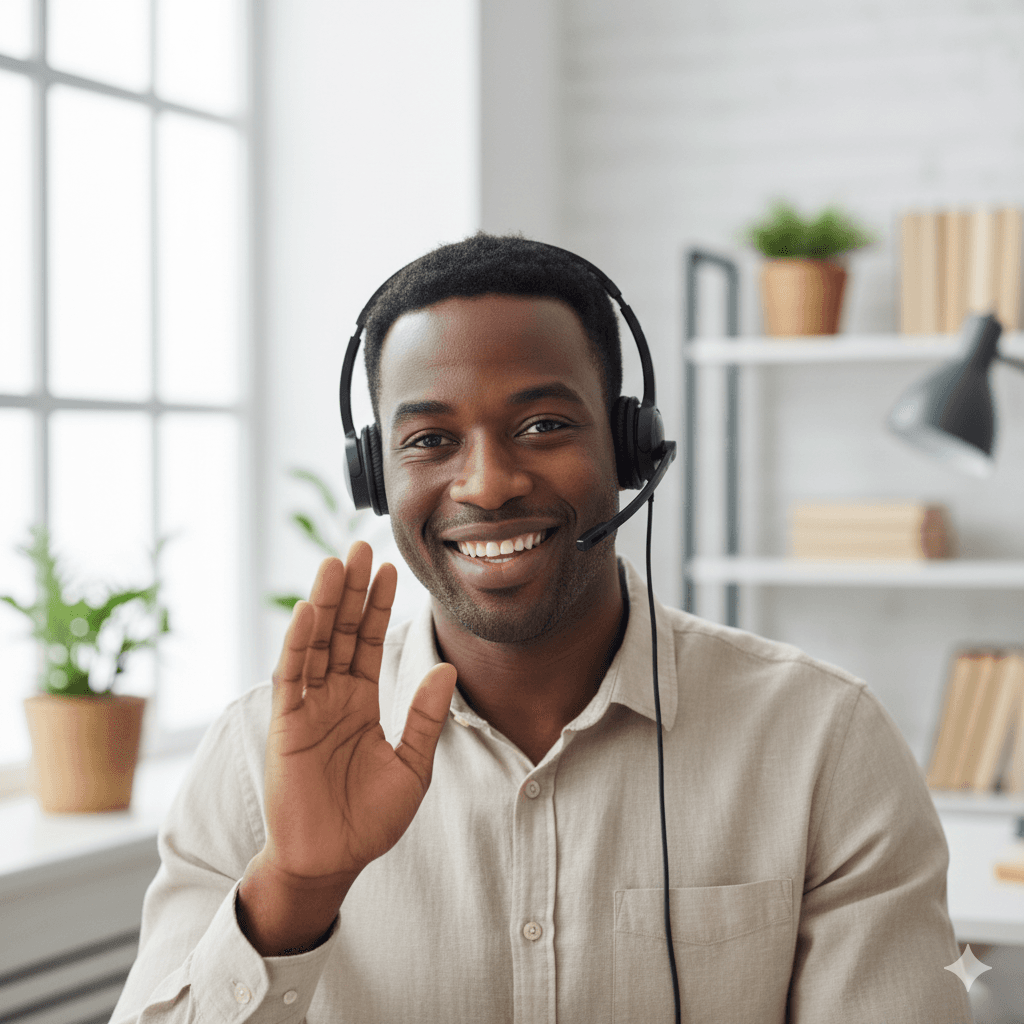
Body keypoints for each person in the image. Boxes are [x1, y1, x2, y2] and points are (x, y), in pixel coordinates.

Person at [112, 234, 975, 1023]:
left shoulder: (823, 742)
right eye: (430, 439)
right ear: (375, 476)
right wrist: (294, 893)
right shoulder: (252, 759)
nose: (487, 484)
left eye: (543, 425)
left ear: (633, 449)